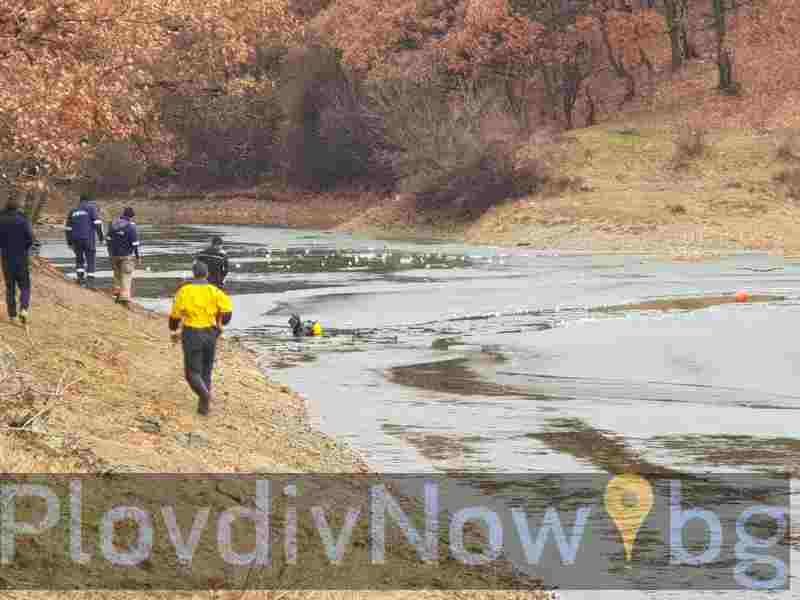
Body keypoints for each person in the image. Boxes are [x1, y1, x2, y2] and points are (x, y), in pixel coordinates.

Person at [169, 261, 233, 416]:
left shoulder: (185, 291)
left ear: (193, 273)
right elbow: (228, 311)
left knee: (191, 372)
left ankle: (205, 396)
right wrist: (221, 323)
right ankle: (203, 407)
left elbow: (175, 315)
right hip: (210, 333)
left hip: (192, 332)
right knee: (206, 369)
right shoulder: (215, 291)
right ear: (207, 274)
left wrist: (173, 328)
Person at [0, 197, 34, 324]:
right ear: (17, 207)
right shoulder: (22, 219)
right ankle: (24, 309)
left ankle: (12, 316)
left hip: (6, 258)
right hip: (21, 258)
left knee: (10, 288)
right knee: (25, 286)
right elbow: (30, 238)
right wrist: (25, 248)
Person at [65, 193, 104, 287]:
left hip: (75, 239)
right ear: (88, 200)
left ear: (80, 201)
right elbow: (97, 223)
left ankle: (80, 278)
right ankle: (90, 281)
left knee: (79, 259)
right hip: (88, 238)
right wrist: (101, 238)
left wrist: (69, 242)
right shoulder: (91, 208)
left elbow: (68, 229)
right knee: (91, 258)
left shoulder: (73, 211)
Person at [107, 207, 140, 307]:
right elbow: (135, 244)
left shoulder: (113, 224)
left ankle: (117, 292)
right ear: (131, 216)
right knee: (126, 276)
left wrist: (110, 253)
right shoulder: (131, 227)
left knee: (117, 275)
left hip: (114, 255)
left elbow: (108, 239)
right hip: (126, 256)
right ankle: (124, 300)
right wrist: (138, 257)